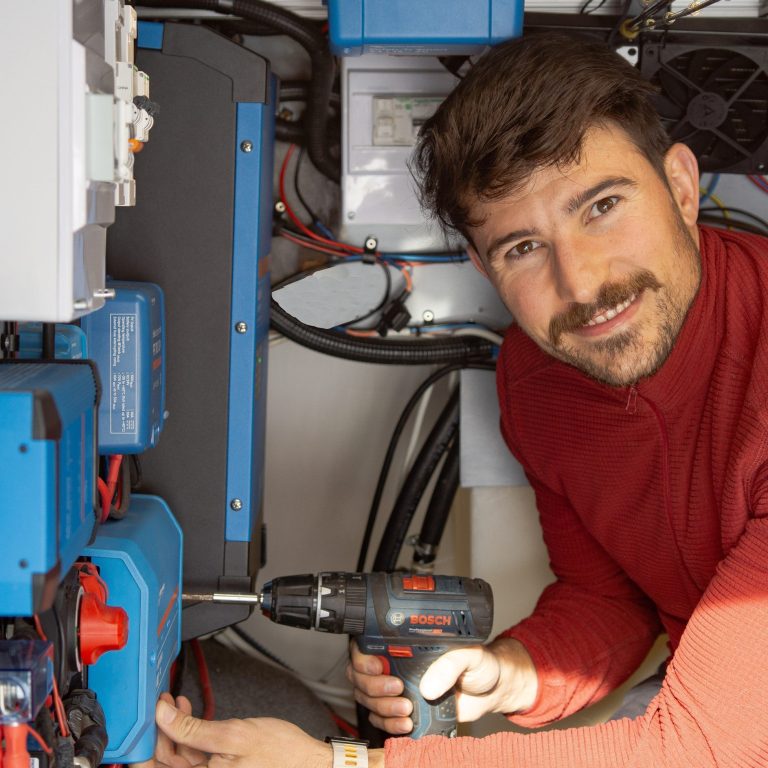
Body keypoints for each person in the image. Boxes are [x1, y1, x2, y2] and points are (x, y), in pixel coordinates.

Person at [145, 31, 768, 768]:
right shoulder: (537, 381)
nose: (581, 283)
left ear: (682, 187)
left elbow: (702, 747)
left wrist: (346, 765)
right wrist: (510, 672)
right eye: (523, 248)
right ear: (482, 265)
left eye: (602, 206)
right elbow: (610, 600)